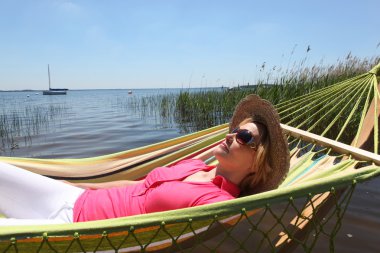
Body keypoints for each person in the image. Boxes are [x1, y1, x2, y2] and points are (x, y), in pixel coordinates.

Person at [0, 95, 289, 226]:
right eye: (234, 131)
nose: (231, 136)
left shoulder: (217, 202)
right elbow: (137, 185)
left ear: (258, 162)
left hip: (74, 228)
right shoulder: (196, 165)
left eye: (245, 137)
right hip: (74, 198)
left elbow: (229, 219)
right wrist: (76, 185)